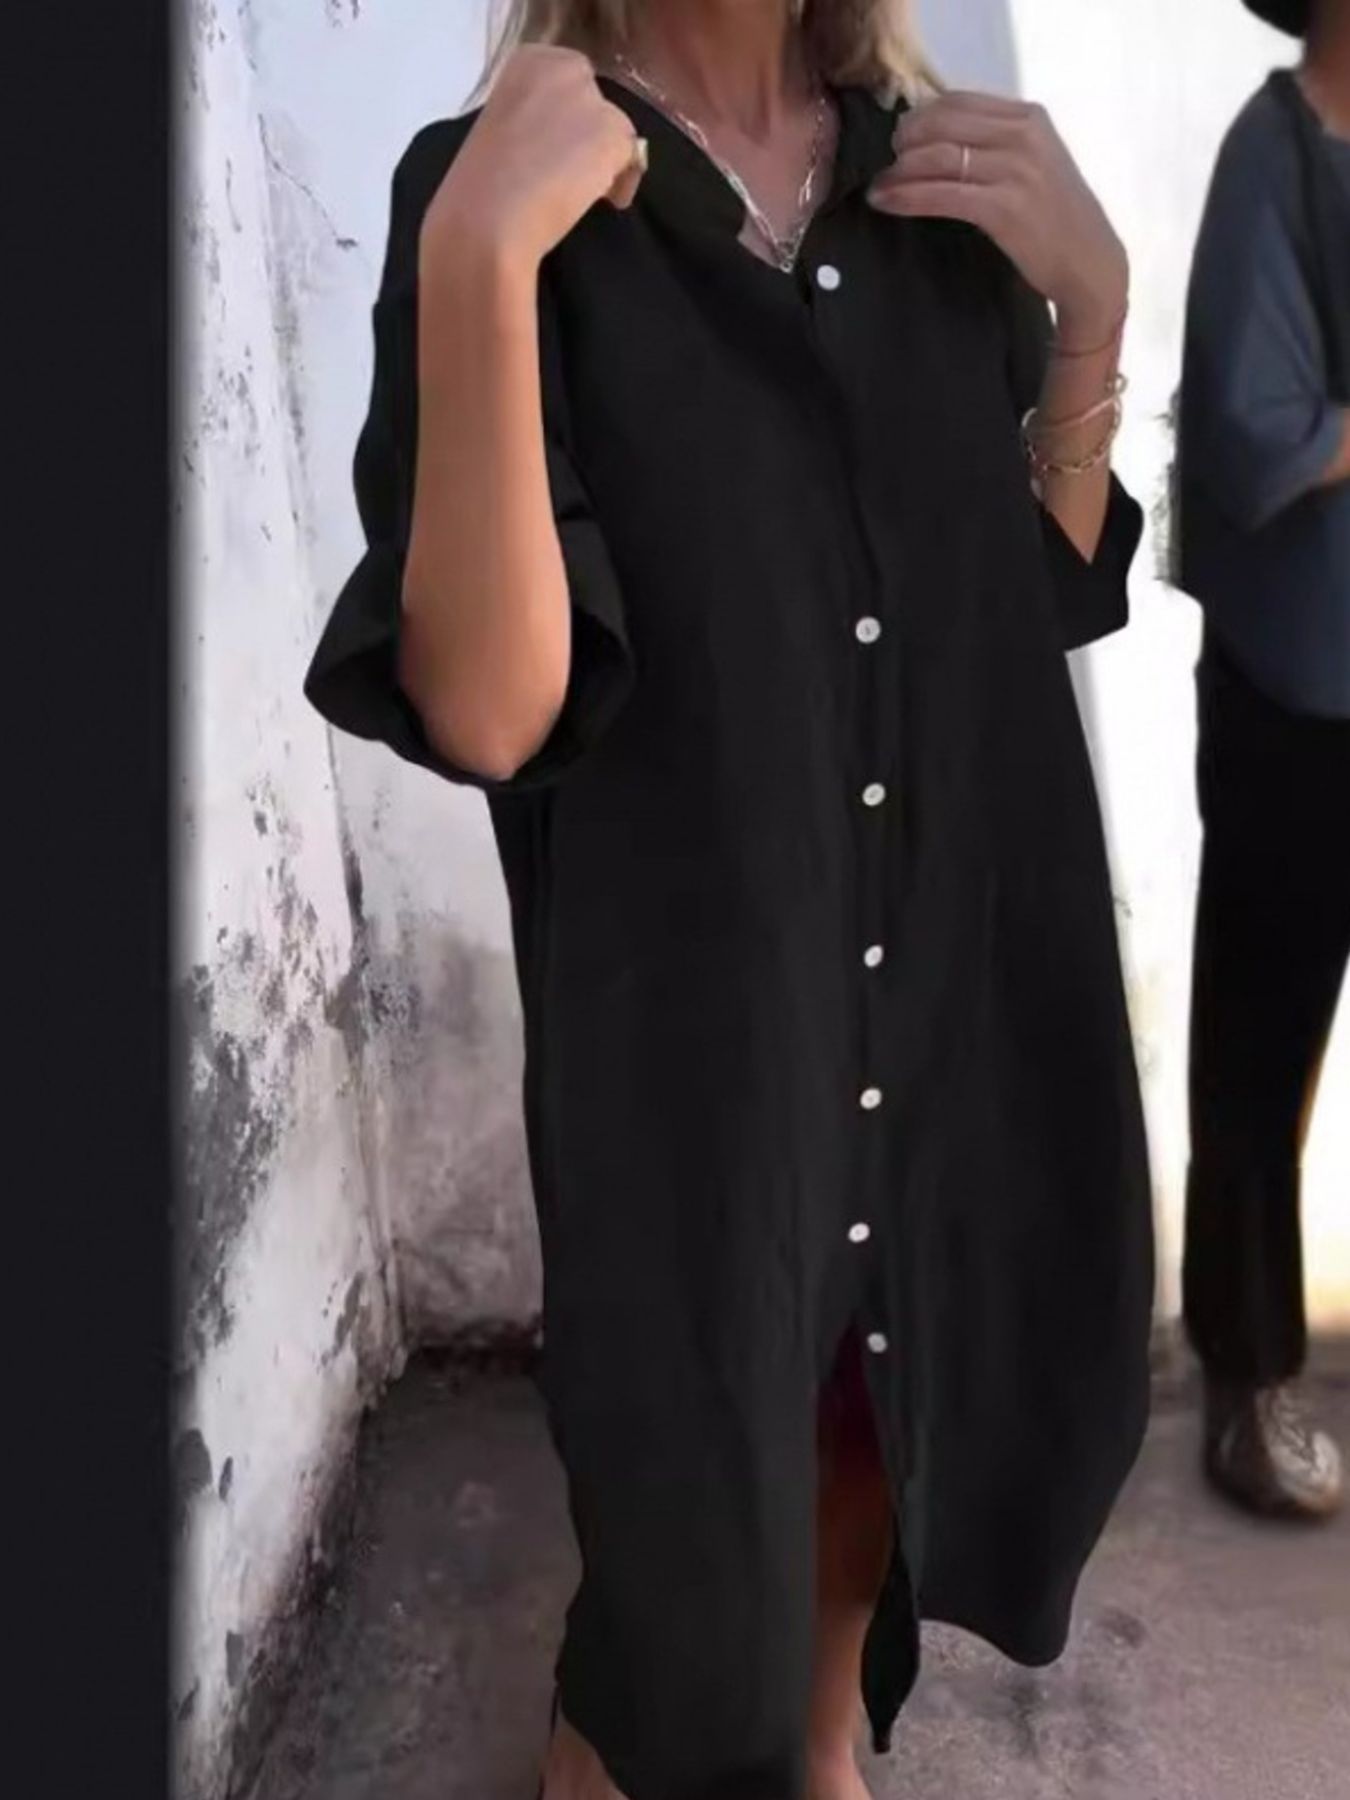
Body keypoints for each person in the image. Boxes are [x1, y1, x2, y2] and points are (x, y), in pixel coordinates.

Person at [304, 3, 1155, 1795]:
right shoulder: (503, 191)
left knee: (877, 1396)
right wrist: (477, 264)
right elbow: (491, 710)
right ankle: (616, 1736)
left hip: (952, 946)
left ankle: (824, 1723)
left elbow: (1025, 600)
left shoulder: (937, 176)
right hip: (699, 997)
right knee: (694, 1456)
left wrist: (1090, 318)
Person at [1174, 0, 1350, 1523]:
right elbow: (1250, 429)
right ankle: (1246, 1380)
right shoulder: (1273, 160)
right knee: (1261, 1041)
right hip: (1304, 686)